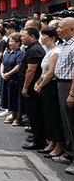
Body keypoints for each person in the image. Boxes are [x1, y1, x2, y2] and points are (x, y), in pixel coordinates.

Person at [34, 27, 64, 158]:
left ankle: (58, 145)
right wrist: (37, 82)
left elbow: (51, 73)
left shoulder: (56, 51)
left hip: (51, 86)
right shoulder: (49, 51)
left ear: (52, 38)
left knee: (54, 115)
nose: (41, 38)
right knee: (48, 114)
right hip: (45, 84)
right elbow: (44, 71)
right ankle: (51, 142)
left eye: (44, 35)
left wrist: (41, 84)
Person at [20, 28, 47, 150]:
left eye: (24, 36)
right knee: (32, 113)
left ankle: (38, 141)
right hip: (31, 86)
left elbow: (31, 70)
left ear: (32, 37)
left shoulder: (35, 50)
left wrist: (25, 87)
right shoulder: (32, 48)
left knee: (35, 113)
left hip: (32, 87)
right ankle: (36, 135)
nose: (21, 38)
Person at [55, 18, 74, 174]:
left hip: (69, 85)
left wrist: (72, 93)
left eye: (61, 27)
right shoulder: (64, 44)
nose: (57, 30)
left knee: (71, 122)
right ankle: (69, 153)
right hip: (61, 83)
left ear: (72, 29)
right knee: (66, 122)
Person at [0, 33, 24, 126]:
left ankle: (18, 118)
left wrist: (9, 74)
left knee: (16, 98)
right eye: (9, 42)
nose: (10, 44)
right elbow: (3, 63)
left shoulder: (20, 53)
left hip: (15, 79)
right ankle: (13, 115)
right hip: (6, 78)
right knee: (9, 98)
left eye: (12, 42)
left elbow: (19, 66)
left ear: (18, 43)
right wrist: (2, 73)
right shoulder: (8, 52)